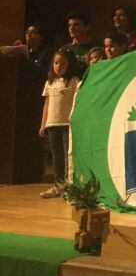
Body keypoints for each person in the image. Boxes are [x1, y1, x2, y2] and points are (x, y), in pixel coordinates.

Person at [38, 49, 80, 198]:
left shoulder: (74, 81)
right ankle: (58, 186)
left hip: (67, 124)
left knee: (68, 156)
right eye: (56, 63)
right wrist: (43, 124)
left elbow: (78, 102)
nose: (58, 66)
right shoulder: (50, 82)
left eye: (62, 64)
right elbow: (47, 104)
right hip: (52, 124)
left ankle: (69, 187)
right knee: (56, 157)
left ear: (69, 65)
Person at [60, 11, 99, 76]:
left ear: (87, 27)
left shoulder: (96, 48)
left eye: (76, 25)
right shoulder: (64, 49)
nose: (71, 28)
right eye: (69, 25)